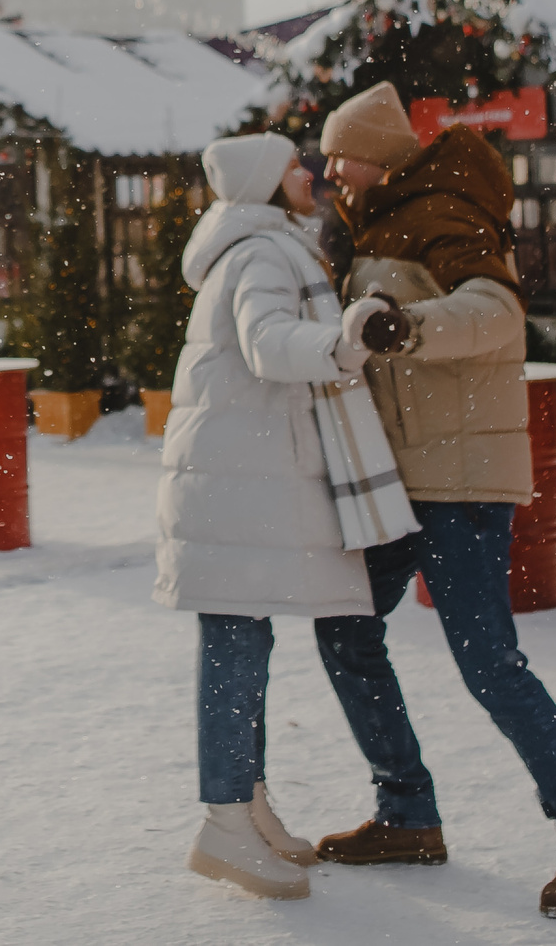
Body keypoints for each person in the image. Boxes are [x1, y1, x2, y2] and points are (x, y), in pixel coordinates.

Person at [310, 82, 556, 920]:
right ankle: (407, 811)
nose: (332, 169)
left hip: (458, 481)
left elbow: (497, 312)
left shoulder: (443, 214)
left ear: (377, 156)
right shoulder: (379, 221)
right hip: (403, 478)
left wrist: (404, 326)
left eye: (341, 153)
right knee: (344, 626)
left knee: (489, 664)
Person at [155, 130, 384, 903]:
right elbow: (266, 343)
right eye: (292, 164)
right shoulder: (258, 252)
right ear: (262, 182)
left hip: (236, 481)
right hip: (235, 483)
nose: (307, 172)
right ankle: (224, 816)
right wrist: (344, 341)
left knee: (242, 641)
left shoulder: (265, 242)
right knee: (234, 648)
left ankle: (245, 801)